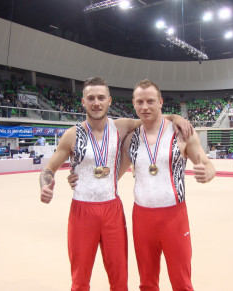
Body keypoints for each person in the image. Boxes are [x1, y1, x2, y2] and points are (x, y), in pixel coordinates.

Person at [39, 77, 192, 291]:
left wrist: (175, 116)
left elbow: (151, 116)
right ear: (83, 101)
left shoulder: (121, 127)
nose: (96, 102)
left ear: (109, 101)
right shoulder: (71, 135)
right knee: (79, 280)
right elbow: (48, 169)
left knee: (120, 280)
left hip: (112, 209)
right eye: (91, 98)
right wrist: (45, 185)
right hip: (82, 210)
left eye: (101, 97)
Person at [118, 79, 215, 290]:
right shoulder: (130, 139)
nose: (145, 107)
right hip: (142, 218)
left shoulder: (182, 132)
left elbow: (206, 163)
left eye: (150, 101)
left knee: (181, 281)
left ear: (160, 102)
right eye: (140, 102)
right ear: (133, 103)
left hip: (174, 217)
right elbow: (113, 175)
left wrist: (208, 172)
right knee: (147, 282)